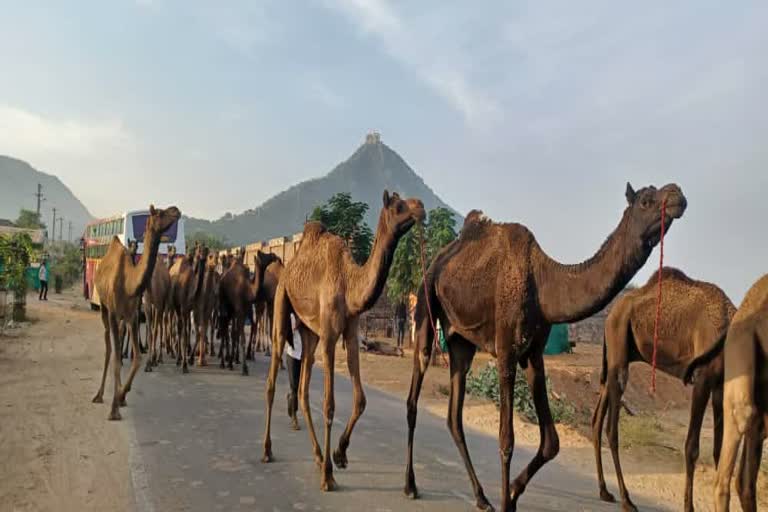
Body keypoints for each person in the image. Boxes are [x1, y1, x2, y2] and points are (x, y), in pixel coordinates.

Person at [285, 313, 303, 430]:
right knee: (294, 387)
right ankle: (294, 417)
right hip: (292, 355)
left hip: (303, 356)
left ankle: (290, 398)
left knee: (299, 387)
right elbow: (292, 329)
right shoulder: (291, 316)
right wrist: (299, 320)